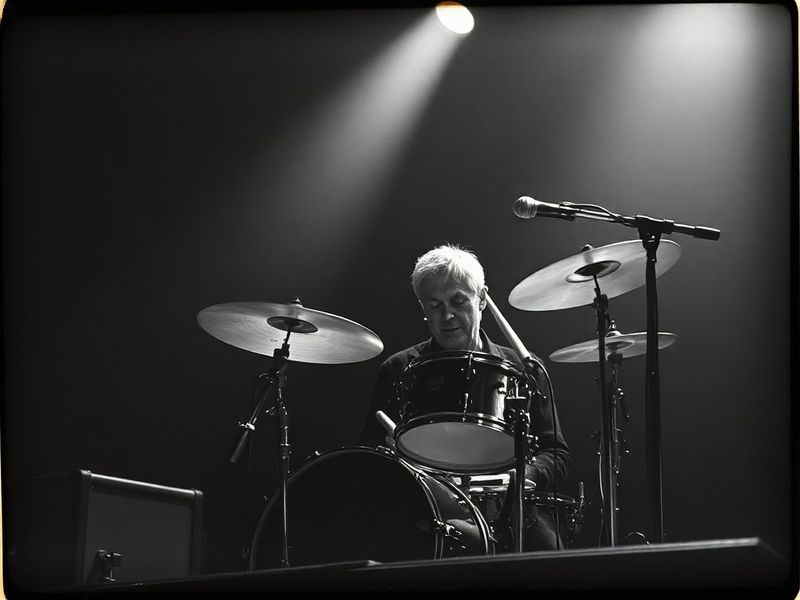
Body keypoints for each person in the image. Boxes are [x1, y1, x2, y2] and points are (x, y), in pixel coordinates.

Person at [357, 243, 571, 552]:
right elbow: (366, 451)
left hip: (507, 510)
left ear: (482, 299)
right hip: (425, 506)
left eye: (458, 301)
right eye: (434, 305)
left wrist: (528, 473)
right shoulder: (400, 367)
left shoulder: (523, 368)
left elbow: (555, 452)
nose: (447, 315)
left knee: (557, 562)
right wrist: (388, 455)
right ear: (423, 309)